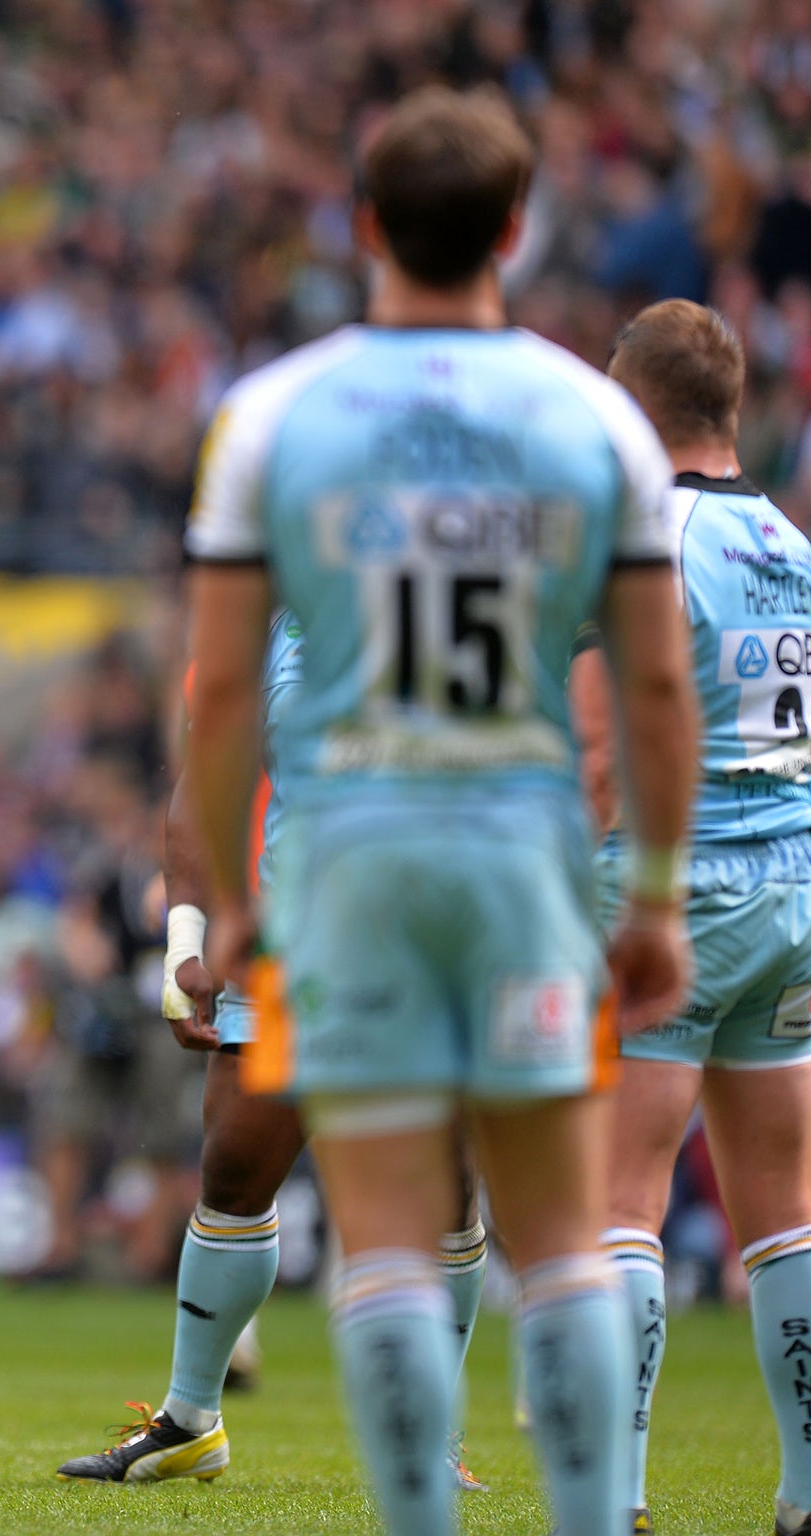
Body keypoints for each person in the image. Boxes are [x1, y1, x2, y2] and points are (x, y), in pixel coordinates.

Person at [183, 87, 698, 1536]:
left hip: (348, 855)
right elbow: (656, 694)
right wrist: (652, 893)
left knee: (389, 1240)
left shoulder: (275, 414)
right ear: (518, 231)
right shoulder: (596, 418)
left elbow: (222, 700)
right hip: (521, 852)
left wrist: (229, 901)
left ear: (362, 228)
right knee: (557, 1242)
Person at [56, 615, 490, 1492]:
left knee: (442, 1189)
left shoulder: (465, 596)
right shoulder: (270, 622)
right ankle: (189, 1422)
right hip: (292, 948)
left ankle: (432, 1439)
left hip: (430, 943)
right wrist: (186, 937)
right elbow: (202, 786)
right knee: (235, 1171)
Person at [569, 299, 811, 1536]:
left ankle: (609, 1502)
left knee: (619, 1199)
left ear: (635, 402)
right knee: (783, 1207)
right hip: (792, 896)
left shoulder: (640, 538)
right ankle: (803, 1492)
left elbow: (605, 746)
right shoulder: (788, 541)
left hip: (673, 886)